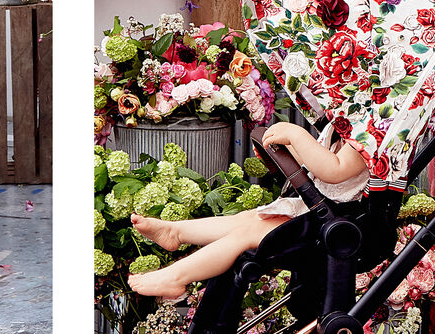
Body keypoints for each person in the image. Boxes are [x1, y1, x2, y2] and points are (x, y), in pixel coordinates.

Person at [126, 121, 369, 299]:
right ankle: (175, 232)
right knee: (247, 218)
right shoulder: (344, 123)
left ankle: (176, 277)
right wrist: (283, 149)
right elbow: (316, 160)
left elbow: (334, 170)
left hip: (334, 225)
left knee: (247, 234)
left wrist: (296, 135)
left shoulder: (371, 128)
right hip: (316, 212)